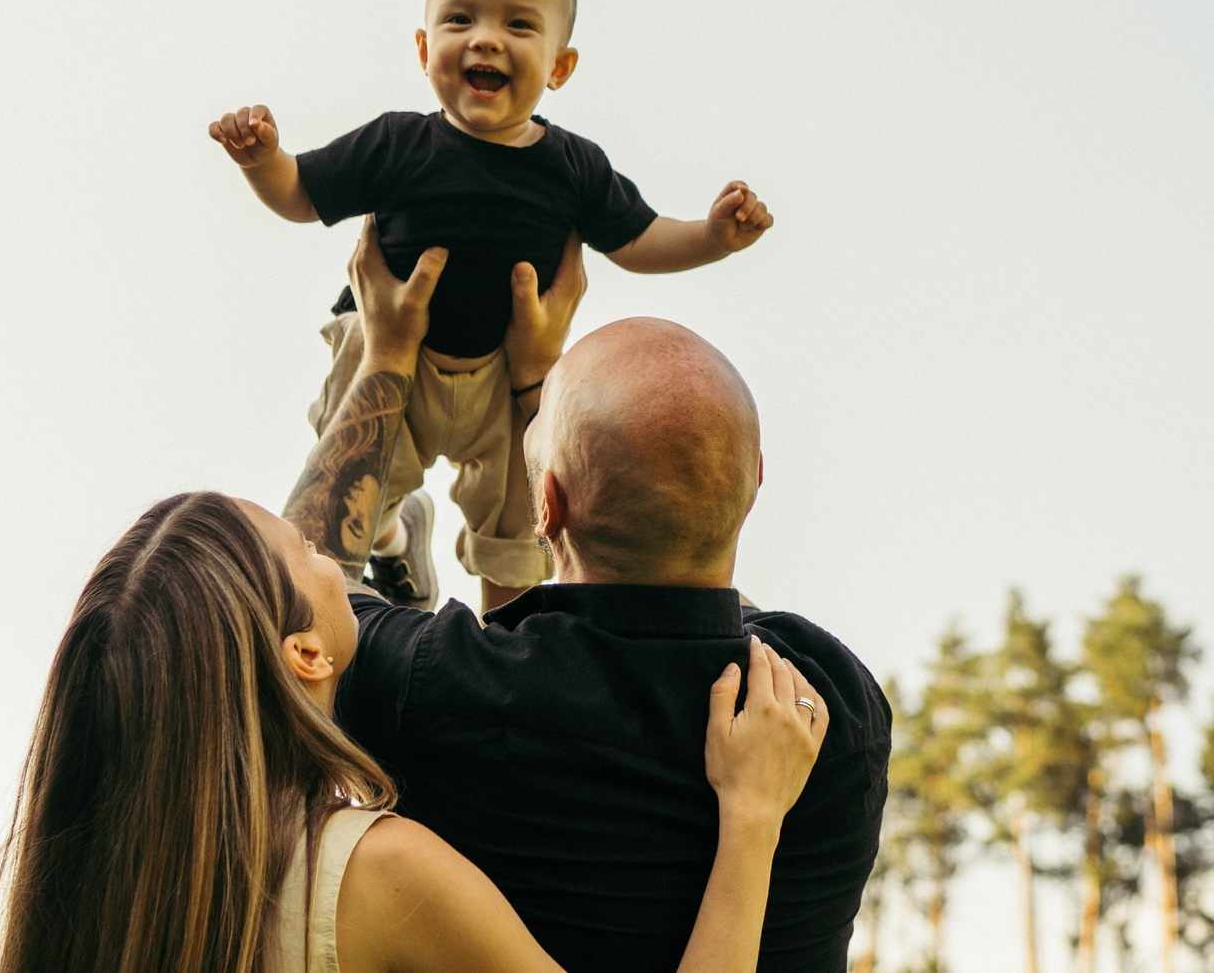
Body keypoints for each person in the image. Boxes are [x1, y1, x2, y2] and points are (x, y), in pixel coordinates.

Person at [282, 219, 888, 973]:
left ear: (551, 504)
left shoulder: (446, 685)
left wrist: (387, 352)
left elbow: (299, 580)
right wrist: (543, 399)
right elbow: (665, 590)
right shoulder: (832, 705)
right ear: (755, 480)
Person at [0, 494, 827, 973]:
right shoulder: (373, 874)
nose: (328, 557)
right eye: (309, 547)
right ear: (305, 650)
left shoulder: (107, 900)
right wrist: (752, 818)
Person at [209, 0, 774, 610]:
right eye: (459, 18)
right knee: (363, 487)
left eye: (518, 24)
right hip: (394, 363)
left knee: (527, 517)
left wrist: (713, 235)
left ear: (560, 67)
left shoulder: (572, 166)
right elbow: (301, 193)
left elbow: (637, 238)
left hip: (506, 381)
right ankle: (392, 542)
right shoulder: (398, 143)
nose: (485, 38)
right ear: (423, 50)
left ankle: (503, 641)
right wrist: (262, 161)